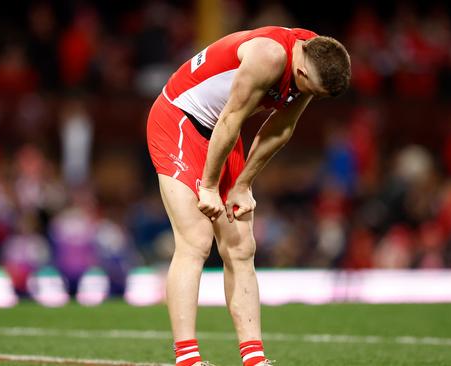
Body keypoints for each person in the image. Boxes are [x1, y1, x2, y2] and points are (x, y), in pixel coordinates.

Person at [146, 26, 351, 366]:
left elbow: (280, 129)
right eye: (311, 90)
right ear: (300, 72)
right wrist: (209, 187)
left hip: (222, 133)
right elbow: (231, 118)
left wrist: (243, 184)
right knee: (196, 241)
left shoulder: (315, 54)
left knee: (241, 247)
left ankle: (254, 358)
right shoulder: (268, 57)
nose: (310, 96)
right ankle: (187, 358)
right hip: (179, 120)